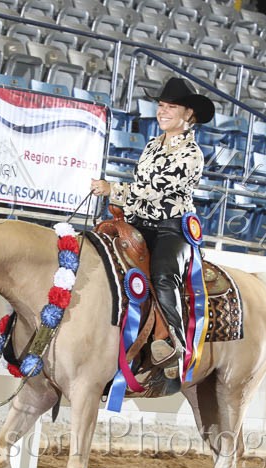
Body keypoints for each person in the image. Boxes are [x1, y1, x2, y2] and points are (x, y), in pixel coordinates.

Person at [90, 77, 214, 378]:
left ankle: (172, 341)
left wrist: (113, 189)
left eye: (171, 107)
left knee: (162, 273)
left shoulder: (192, 154)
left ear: (188, 115)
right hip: (139, 222)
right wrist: (122, 209)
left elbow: (156, 188)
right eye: (161, 106)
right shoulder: (151, 145)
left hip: (171, 228)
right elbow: (143, 187)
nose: (162, 111)